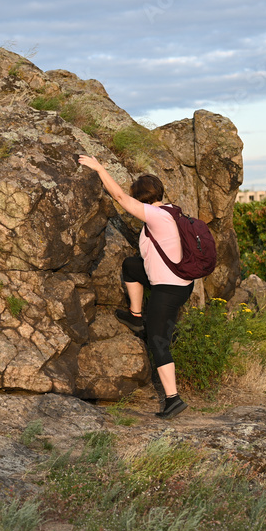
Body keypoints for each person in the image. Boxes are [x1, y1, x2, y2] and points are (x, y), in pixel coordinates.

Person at [78, 155, 193, 420]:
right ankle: (136, 314)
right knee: (131, 265)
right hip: (181, 283)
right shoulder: (173, 211)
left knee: (157, 340)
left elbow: (119, 197)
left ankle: (173, 399)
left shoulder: (155, 215)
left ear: (141, 198)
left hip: (169, 288)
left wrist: (99, 168)